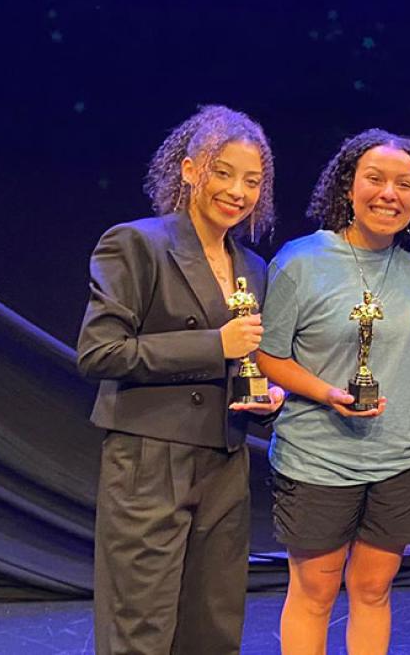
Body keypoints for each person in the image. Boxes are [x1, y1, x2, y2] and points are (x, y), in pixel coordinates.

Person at [77, 105, 285, 654]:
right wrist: (214, 345)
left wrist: (265, 395)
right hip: (150, 458)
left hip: (224, 462)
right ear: (190, 170)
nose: (238, 191)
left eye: (251, 180)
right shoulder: (136, 244)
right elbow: (100, 352)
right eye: (223, 172)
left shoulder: (254, 268)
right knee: (140, 626)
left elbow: (243, 363)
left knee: (212, 629)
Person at [255, 129, 410, 655]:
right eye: (375, 179)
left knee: (373, 589)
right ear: (348, 187)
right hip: (318, 458)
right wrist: (325, 392)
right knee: (315, 592)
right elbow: (267, 355)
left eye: (405, 184)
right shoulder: (300, 262)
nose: (390, 193)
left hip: (401, 456)